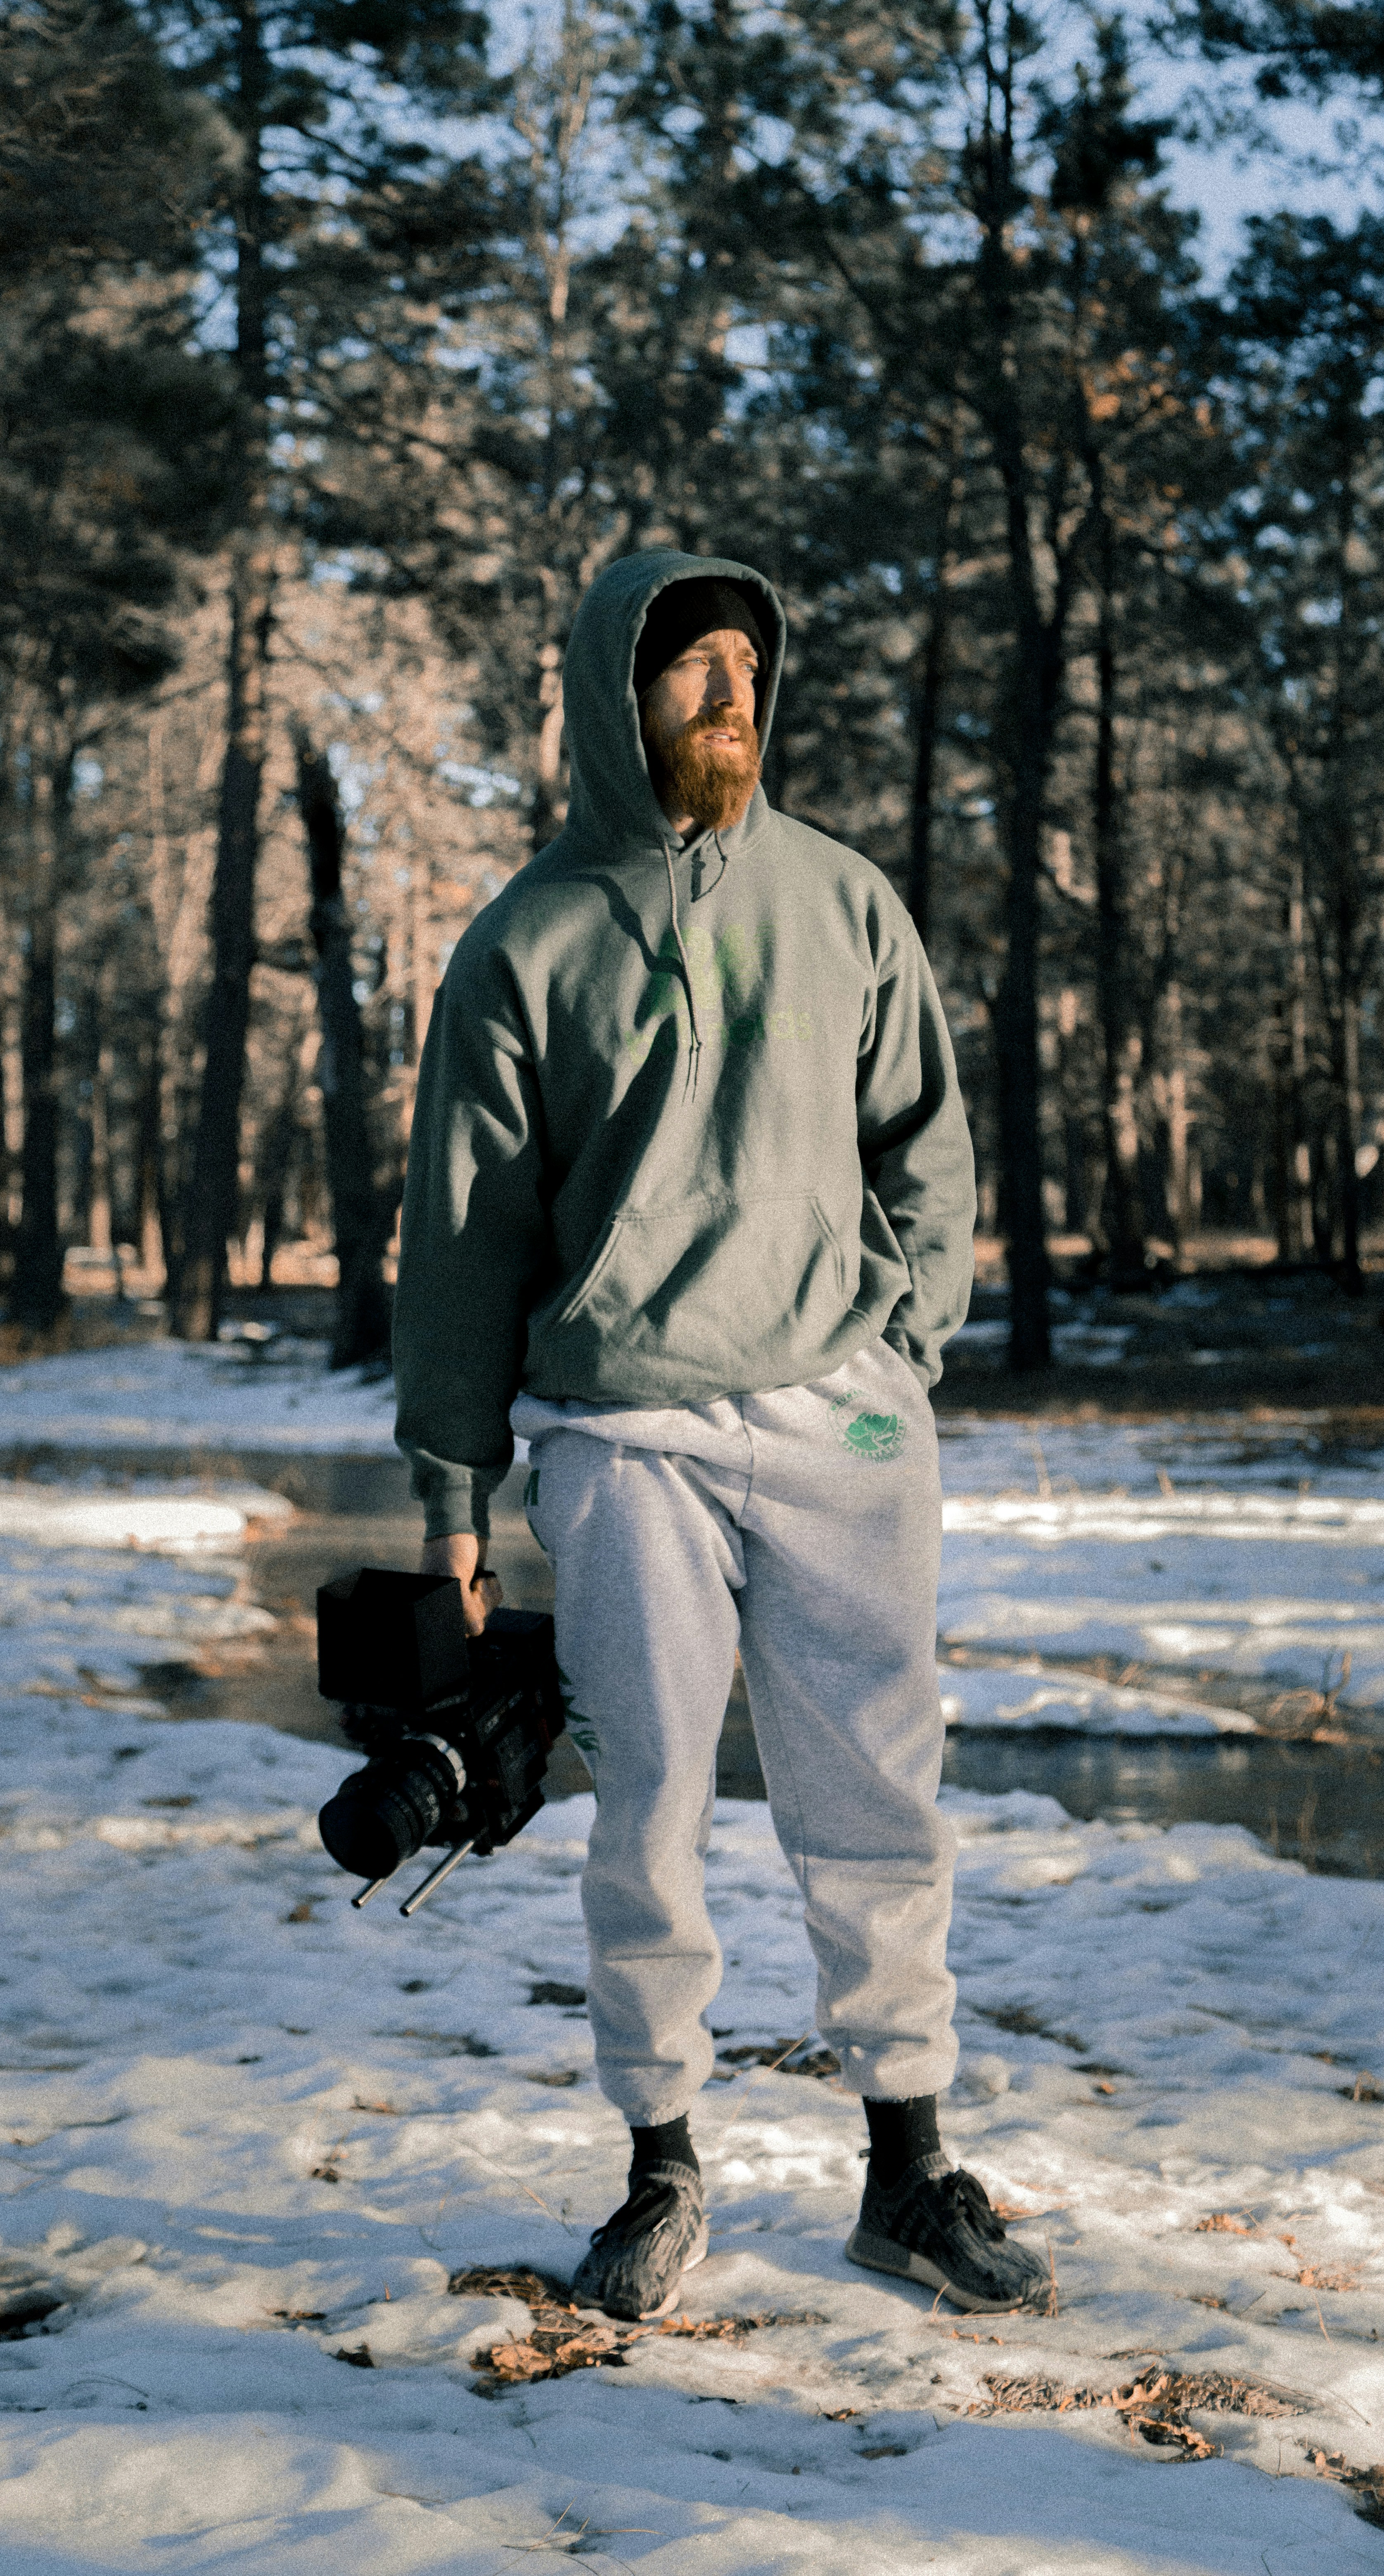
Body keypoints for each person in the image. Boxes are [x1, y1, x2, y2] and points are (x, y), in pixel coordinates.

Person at [394, 548, 1050, 2323]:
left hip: (839, 1418)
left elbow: (923, 1138)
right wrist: (453, 1486)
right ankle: (660, 2169)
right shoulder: (525, 942)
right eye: (689, 669)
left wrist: (902, 1344)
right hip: (626, 1436)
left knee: (874, 1801)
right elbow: (462, 1242)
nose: (725, 696)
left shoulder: (841, 903)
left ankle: (908, 2172)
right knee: (651, 1812)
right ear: (618, 697)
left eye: (746, 665)